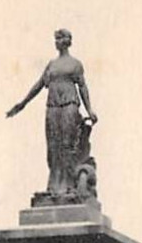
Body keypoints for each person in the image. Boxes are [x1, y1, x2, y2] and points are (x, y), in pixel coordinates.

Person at [6, 29, 98, 200]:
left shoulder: (75, 64)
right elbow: (39, 85)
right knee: (53, 146)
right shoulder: (51, 65)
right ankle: (54, 186)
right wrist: (23, 103)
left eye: (60, 38)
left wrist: (89, 109)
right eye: (56, 38)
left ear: (68, 41)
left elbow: (83, 87)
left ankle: (70, 186)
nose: (57, 41)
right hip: (53, 106)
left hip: (69, 105)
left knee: (67, 144)